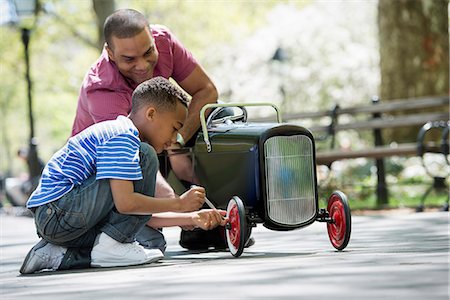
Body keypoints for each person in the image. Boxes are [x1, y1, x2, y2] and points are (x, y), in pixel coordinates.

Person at [20, 77, 227, 274]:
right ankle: (110, 247)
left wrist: (190, 217)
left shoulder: (124, 137)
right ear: (151, 114)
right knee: (146, 155)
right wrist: (179, 204)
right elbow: (126, 204)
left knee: (152, 243)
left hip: (62, 219)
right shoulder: (123, 136)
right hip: (59, 211)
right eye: (174, 128)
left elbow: (138, 215)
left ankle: (56, 255)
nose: (174, 140)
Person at [69, 8, 233, 251]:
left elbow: (206, 91)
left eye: (148, 52)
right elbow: (129, 157)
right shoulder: (101, 90)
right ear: (110, 54)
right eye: (129, 59)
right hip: (105, 173)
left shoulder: (164, 40)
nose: (143, 66)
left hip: (154, 141)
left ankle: (210, 223)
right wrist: (175, 204)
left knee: (220, 116)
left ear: (153, 40)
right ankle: (90, 237)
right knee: (152, 243)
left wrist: (177, 141)